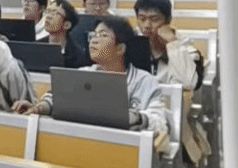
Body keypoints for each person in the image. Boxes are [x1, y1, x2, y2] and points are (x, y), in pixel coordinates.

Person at [16, 17, 169, 144]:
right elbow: (57, 98)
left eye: (103, 35)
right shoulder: (82, 74)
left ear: (120, 49)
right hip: (83, 144)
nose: (94, 41)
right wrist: (38, 108)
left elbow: (160, 123)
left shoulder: (145, 82)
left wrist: (134, 117)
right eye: (93, 36)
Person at [135, 0, 210, 164]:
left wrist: (173, 44)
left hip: (171, 119)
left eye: (154, 19)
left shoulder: (186, 49)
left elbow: (189, 83)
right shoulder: (133, 47)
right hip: (139, 112)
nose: (147, 25)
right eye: (142, 18)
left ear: (167, 21)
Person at [39, 0, 89, 68]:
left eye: (56, 13)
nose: (49, 16)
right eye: (48, 11)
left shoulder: (78, 57)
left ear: (67, 25)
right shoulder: (37, 47)